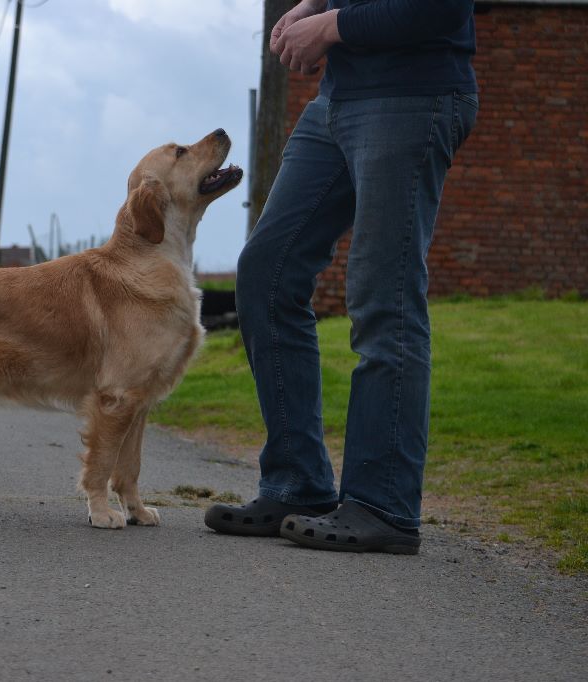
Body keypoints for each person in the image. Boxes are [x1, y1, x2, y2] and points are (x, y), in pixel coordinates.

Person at [205, 0, 479, 554]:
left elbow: (442, 10)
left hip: (412, 96)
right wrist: (313, 5)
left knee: (384, 297)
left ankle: (383, 505)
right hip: (337, 100)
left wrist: (329, 27)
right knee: (267, 272)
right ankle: (296, 485)